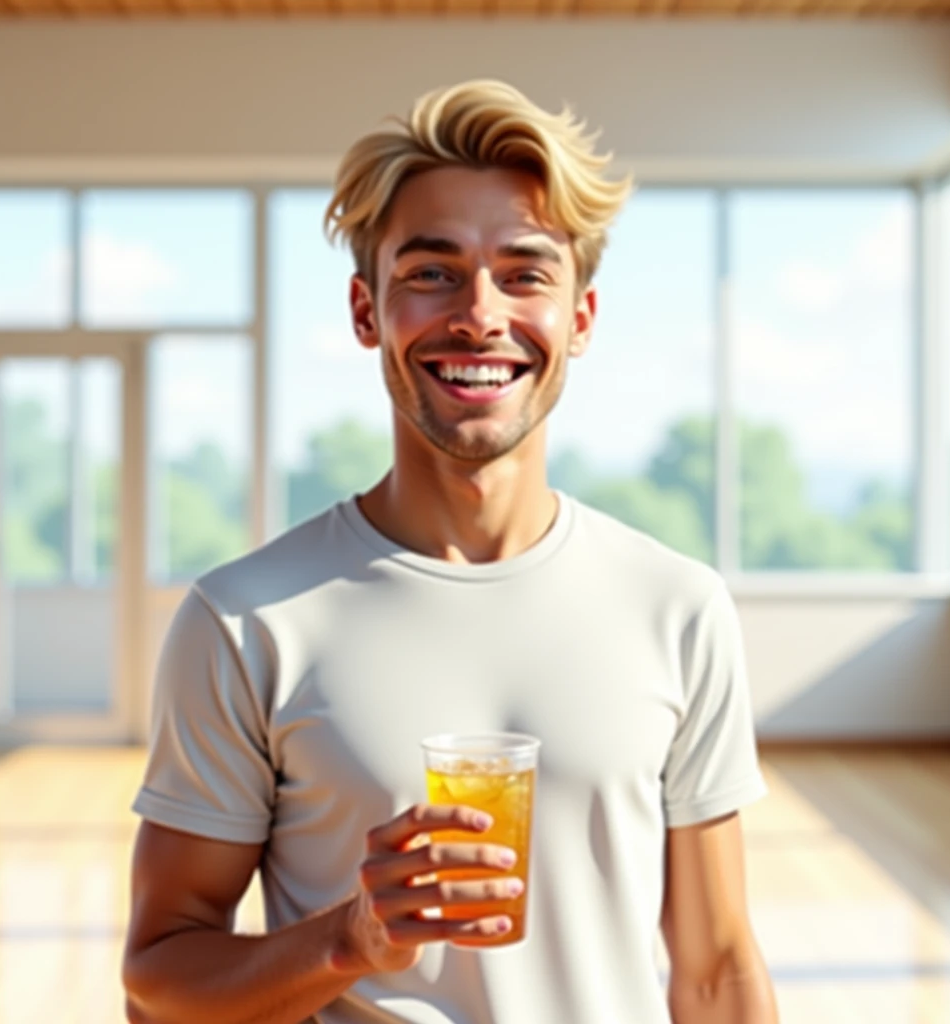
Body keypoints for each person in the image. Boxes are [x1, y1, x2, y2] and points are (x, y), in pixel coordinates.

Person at [122, 79, 779, 1024]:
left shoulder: (678, 608)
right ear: (366, 311)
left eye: (525, 273)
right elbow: (158, 983)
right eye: (431, 272)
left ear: (579, 320)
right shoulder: (245, 621)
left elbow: (716, 968)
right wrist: (352, 938)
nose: (479, 313)